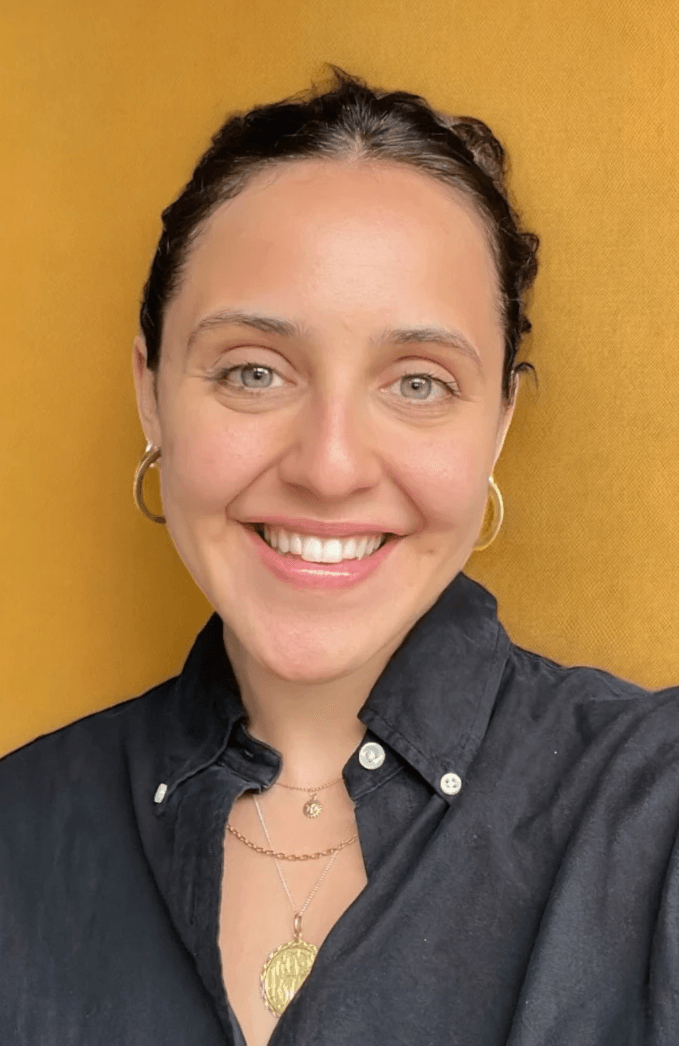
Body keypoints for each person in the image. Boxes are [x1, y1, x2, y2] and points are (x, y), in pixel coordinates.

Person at [1, 66, 677, 1046]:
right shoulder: (18, 831)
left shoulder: (653, 806)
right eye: (253, 370)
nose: (328, 466)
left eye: (416, 383)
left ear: (497, 422)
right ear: (152, 393)